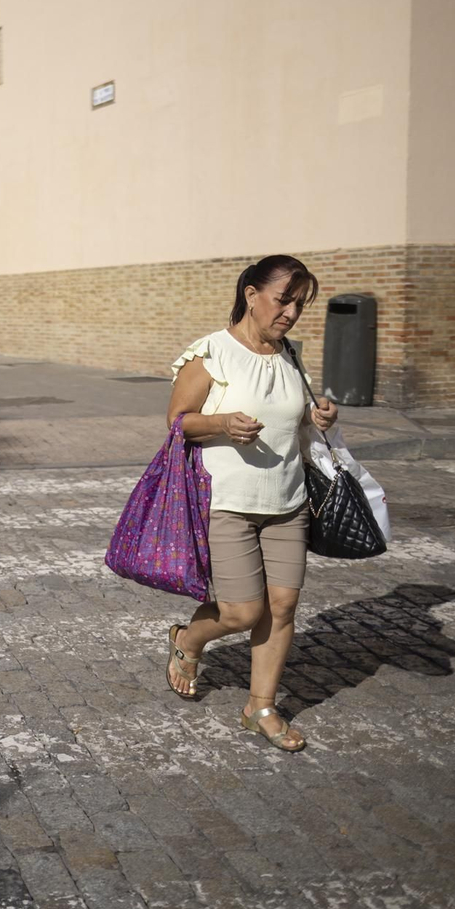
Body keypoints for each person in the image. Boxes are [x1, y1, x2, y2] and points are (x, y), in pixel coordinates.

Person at [163, 254, 338, 751]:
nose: (290, 313)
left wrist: (318, 415)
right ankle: (187, 639)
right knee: (242, 611)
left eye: (299, 305)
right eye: (284, 300)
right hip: (229, 501)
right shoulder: (211, 352)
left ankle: (260, 707)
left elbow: (294, 418)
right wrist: (221, 423)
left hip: (288, 500)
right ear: (251, 295)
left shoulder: (290, 356)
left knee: (282, 607)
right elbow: (178, 421)